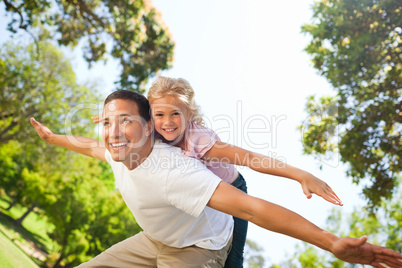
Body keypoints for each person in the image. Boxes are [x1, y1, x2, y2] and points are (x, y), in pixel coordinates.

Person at [31, 90, 402, 268]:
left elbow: (254, 207)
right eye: (108, 122)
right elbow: (90, 146)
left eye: (126, 121)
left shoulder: (179, 166)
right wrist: (52, 138)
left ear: (148, 128)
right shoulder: (118, 152)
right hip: (155, 238)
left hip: (201, 243)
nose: (113, 132)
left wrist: (330, 241)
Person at [93, 76, 343, 267]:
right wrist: (113, 119)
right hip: (200, 194)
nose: (167, 122)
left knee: (233, 256)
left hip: (232, 186)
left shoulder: (200, 141)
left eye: (176, 115)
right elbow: (123, 128)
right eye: (159, 115)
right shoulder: (152, 129)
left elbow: (248, 158)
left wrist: (300, 175)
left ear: (189, 115)